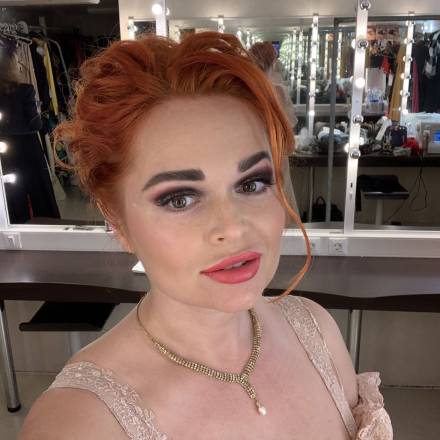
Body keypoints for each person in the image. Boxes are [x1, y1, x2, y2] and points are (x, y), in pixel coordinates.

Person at [19, 32, 392, 439]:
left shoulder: (317, 331)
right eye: (179, 199)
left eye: (251, 183)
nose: (232, 227)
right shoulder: (77, 424)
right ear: (117, 219)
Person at [0, 36, 60, 223]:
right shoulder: (25, 90)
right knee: (39, 188)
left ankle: (17, 226)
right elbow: (35, 124)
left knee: (12, 190)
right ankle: (47, 224)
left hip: (5, 147)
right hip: (28, 145)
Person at [249, 42, 299, 227]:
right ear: (273, 62)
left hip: (253, 152)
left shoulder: (243, 89)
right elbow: (289, 126)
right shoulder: (277, 90)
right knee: (280, 196)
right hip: (276, 152)